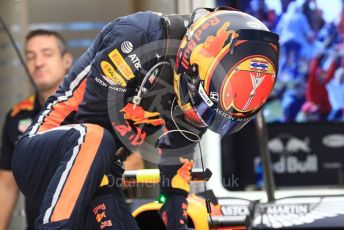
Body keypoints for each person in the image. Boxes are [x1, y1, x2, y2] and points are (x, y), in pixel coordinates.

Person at [12, 7, 279, 230]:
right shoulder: (135, 36)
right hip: (43, 156)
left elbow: (177, 160)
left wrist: (175, 215)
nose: (199, 113)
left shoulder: (196, 88)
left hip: (98, 172)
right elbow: (92, 122)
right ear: (191, 64)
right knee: (95, 137)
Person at [0, 29, 73, 230]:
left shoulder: (91, 107)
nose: (38, 62)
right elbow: (7, 185)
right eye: (30, 56)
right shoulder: (17, 117)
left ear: (67, 60)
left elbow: (130, 162)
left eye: (47, 54)